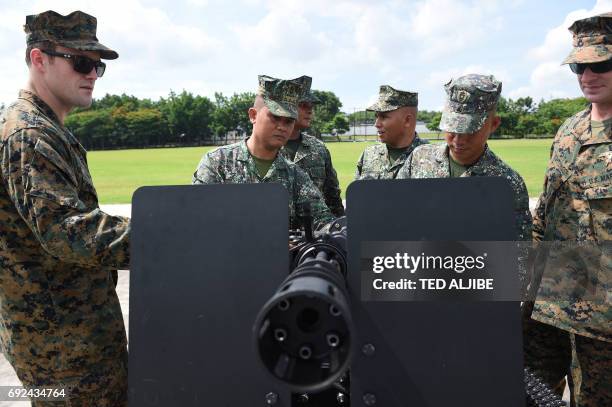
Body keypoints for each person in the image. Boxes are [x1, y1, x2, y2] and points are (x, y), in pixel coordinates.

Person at [0, 10, 130, 406]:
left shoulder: (43, 128)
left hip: (66, 340)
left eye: (97, 66)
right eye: (81, 62)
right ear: (39, 59)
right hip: (64, 351)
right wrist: (169, 235)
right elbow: (66, 231)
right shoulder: (31, 134)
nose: (92, 73)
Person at [524, 12, 612, 406]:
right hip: (551, 303)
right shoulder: (568, 132)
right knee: (537, 393)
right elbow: (545, 213)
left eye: (600, 64)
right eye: (579, 65)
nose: (587, 75)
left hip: (604, 318)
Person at [397, 74, 532, 241]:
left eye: (470, 129)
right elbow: (395, 216)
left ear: (494, 125)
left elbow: (517, 254)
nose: (459, 140)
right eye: (452, 127)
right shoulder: (419, 159)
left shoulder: (507, 183)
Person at [192, 75, 334, 230]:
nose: (282, 127)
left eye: (289, 121)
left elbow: (323, 220)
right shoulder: (217, 162)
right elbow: (196, 217)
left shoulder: (294, 175)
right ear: (253, 115)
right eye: (275, 117)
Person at [280, 75, 345, 217]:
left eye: (311, 106)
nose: (310, 111)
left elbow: (332, 196)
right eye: (303, 105)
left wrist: (341, 229)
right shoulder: (269, 147)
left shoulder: (319, 149)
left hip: (315, 233)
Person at [355, 85, 428, 180]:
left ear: (407, 120)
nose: (376, 124)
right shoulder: (369, 155)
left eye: (384, 117)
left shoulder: (431, 158)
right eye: (376, 116)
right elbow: (358, 193)